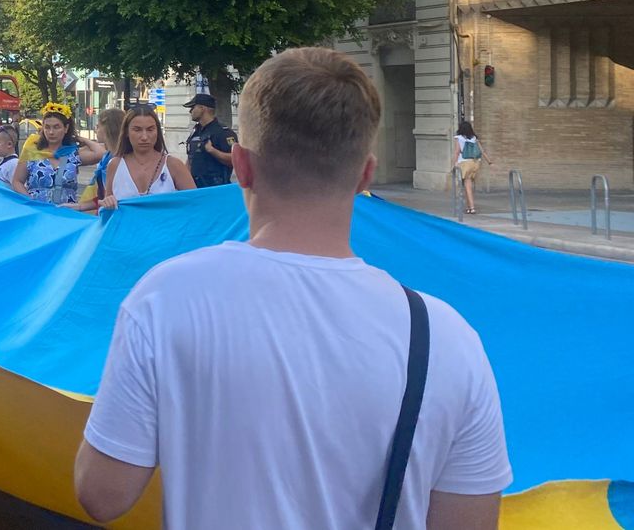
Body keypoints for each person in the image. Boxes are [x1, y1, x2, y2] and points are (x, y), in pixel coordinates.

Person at [75, 47, 511, 529]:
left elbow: (102, 494)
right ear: (365, 174)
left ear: (240, 165)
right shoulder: (448, 339)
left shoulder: (164, 300)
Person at [99, 106, 195, 209]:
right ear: (126, 132)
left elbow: (197, 203)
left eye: (150, 129)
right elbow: (106, 211)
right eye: (137, 130)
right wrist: (107, 204)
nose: (144, 137)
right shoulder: (115, 165)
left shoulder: (173, 165)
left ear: (157, 131)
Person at [12, 103, 104, 207]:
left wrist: (80, 139)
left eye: (56, 127)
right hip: (38, 211)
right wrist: (30, 201)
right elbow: (17, 181)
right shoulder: (32, 150)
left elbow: (100, 153)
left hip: (66, 213)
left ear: (66, 128)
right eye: (47, 127)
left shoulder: (72, 153)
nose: (51, 132)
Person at [183, 93, 236, 188]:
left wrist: (213, 151)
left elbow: (235, 159)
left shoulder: (223, 132)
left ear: (202, 108)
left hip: (216, 190)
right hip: (195, 189)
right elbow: (190, 159)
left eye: (193, 107)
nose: (190, 111)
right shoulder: (196, 131)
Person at [453, 120, 493, 216]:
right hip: (475, 163)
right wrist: (490, 162)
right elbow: (482, 151)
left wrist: (454, 164)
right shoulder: (474, 138)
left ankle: (468, 207)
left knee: (463, 185)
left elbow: (457, 152)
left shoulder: (459, 138)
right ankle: (469, 208)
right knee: (468, 185)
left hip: (464, 163)